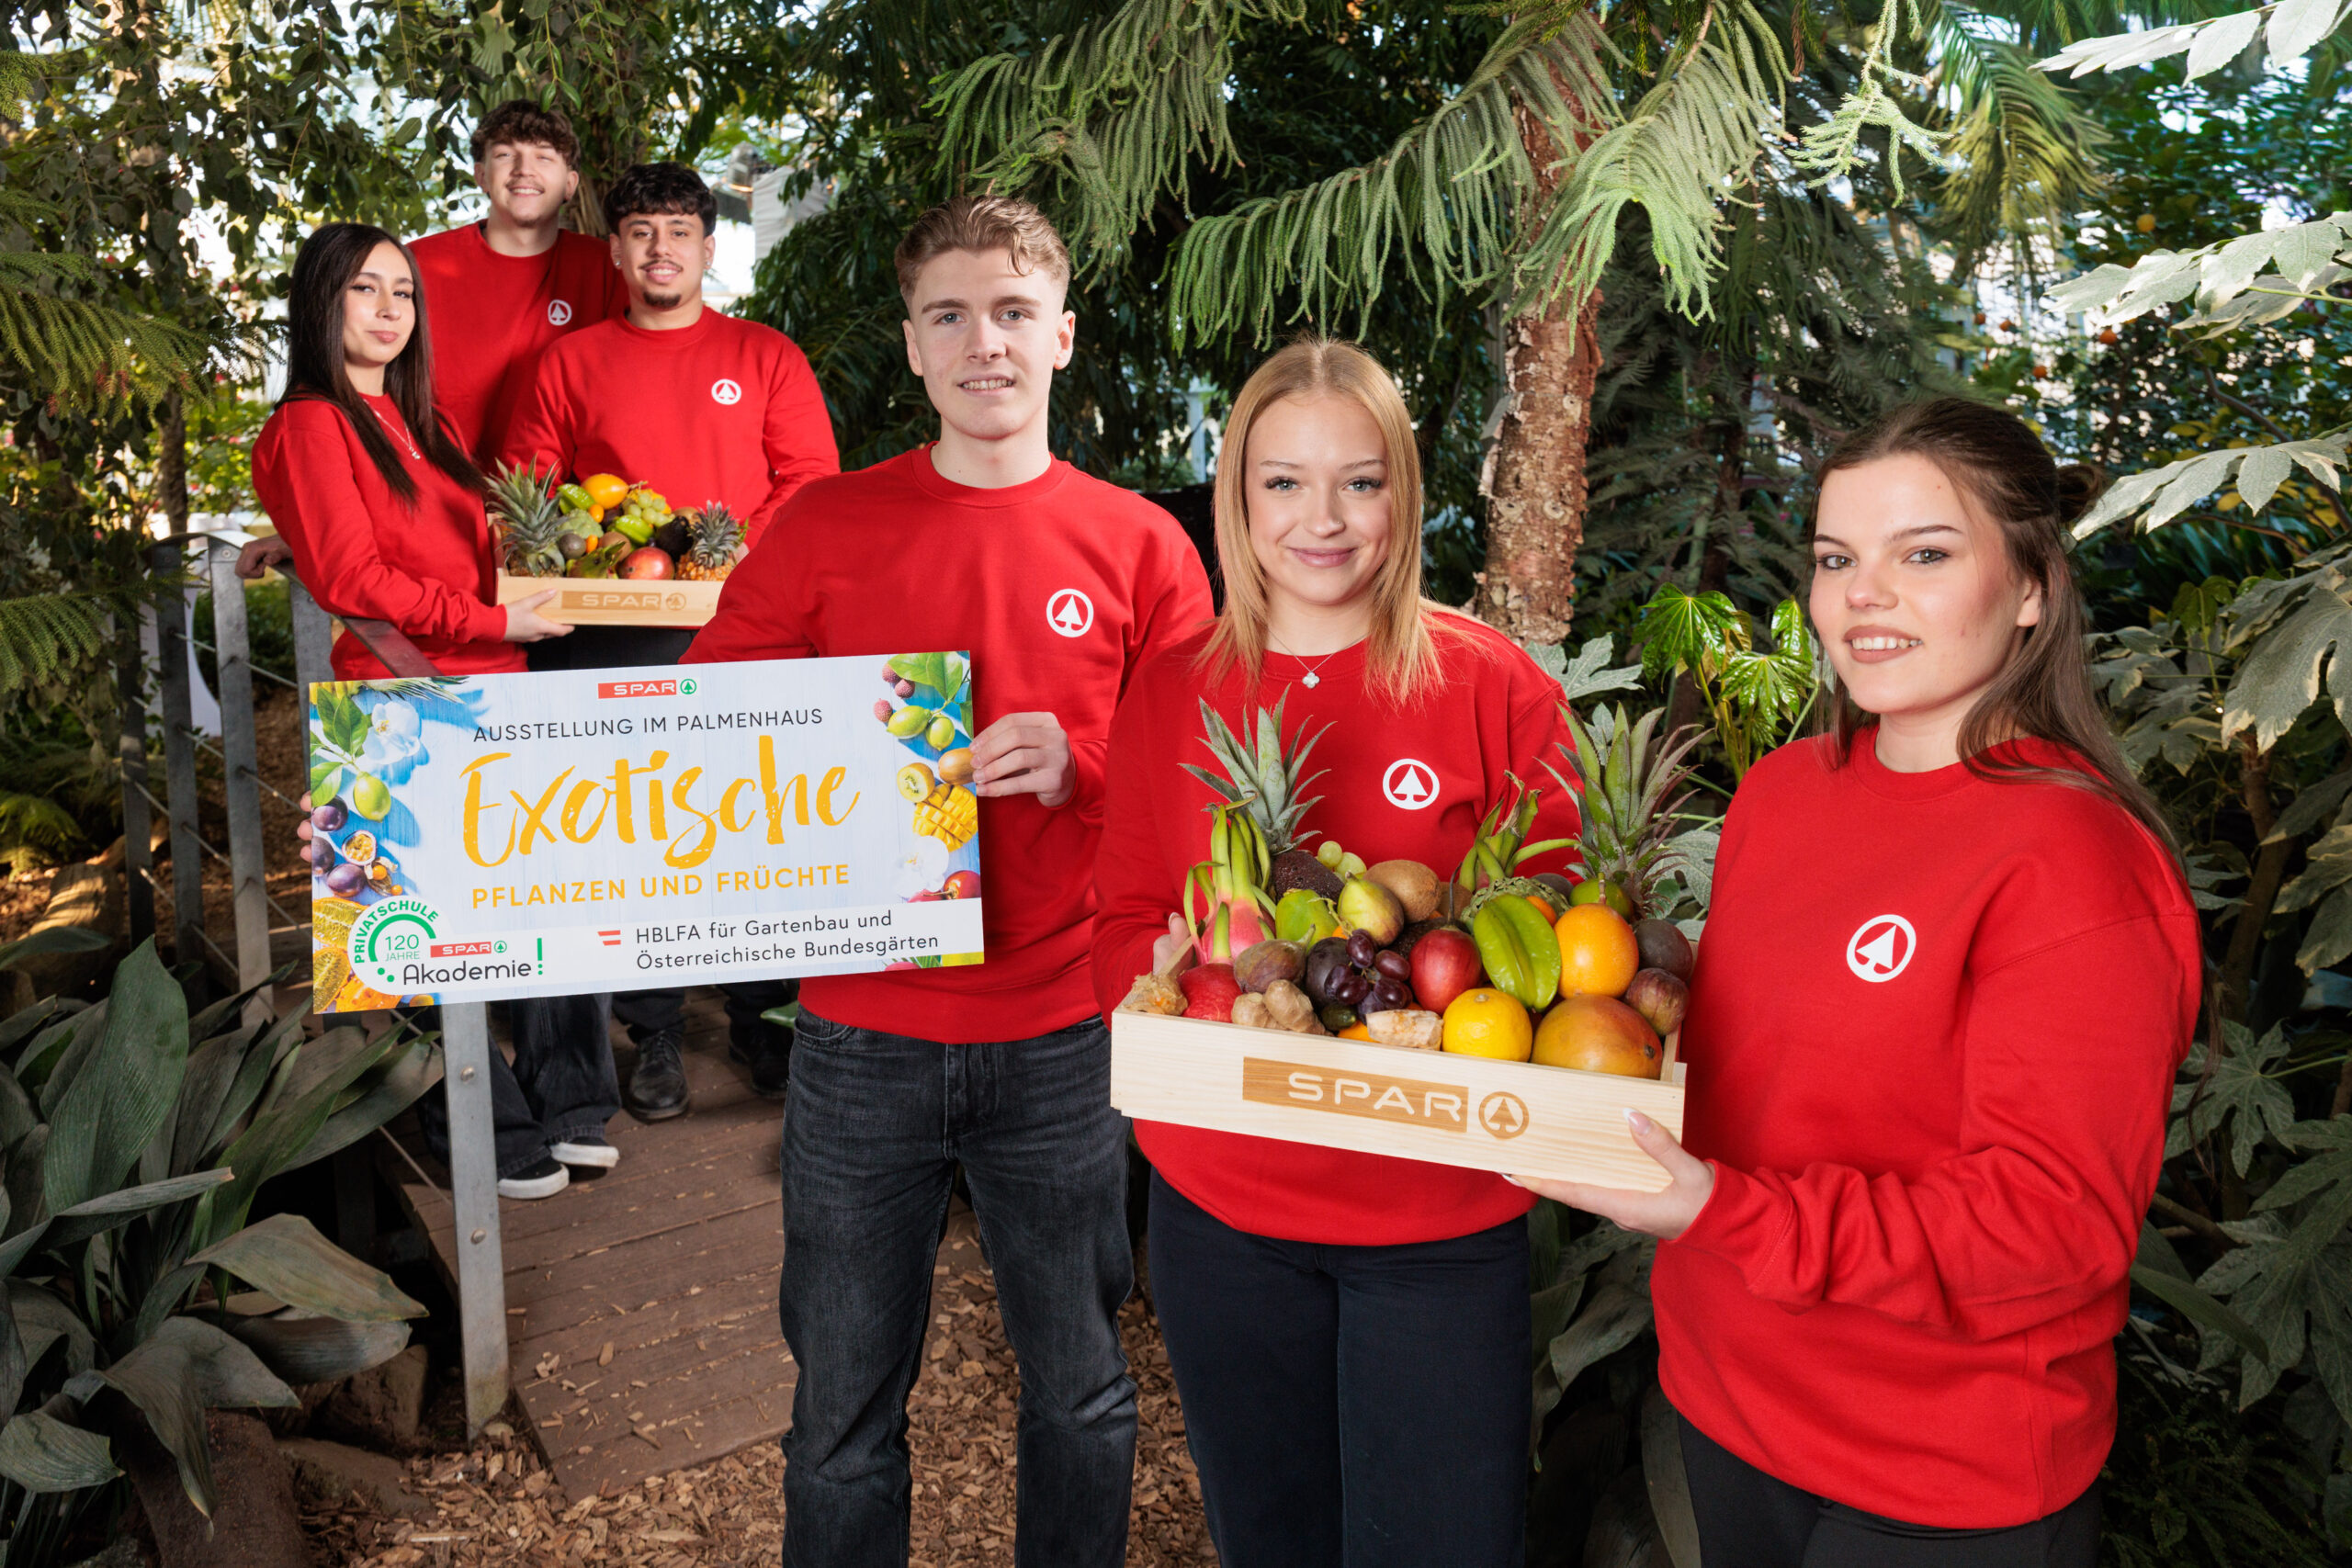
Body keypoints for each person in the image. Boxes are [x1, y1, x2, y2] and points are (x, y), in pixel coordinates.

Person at [1516, 397, 2202, 1568]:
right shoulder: (1785, 793)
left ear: (2031, 586)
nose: (1861, 596)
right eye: (1837, 559)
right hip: (1728, 1407)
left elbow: (2052, 1227)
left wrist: (1717, 1214)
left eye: (1922, 555)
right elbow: (1758, 1077)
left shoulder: (2073, 864)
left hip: (1935, 1473)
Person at [680, 193, 1214, 1567]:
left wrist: (1085, 760)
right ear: (913, 347)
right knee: (840, 1418)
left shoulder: (1145, 545)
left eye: (1015, 313)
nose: (986, 343)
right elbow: (703, 724)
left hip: (1062, 1032)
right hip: (860, 1035)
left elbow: (1206, 773)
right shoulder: (820, 529)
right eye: (951, 316)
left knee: (1086, 1392)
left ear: (1065, 337)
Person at [1089, 339, 1578, 1568]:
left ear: (1404, 495)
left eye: (1360, 482)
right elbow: (1116, 920)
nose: (1324, 519)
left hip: (1438, 1220)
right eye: (1285, 483)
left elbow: (1564, 937)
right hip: (1226, 1208)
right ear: (1237, 498)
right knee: (1272, 1540)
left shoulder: (1492, 684)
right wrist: (1155, 984)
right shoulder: (1173, 690)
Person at [253, 223, 618, 1202]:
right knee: (414, 927)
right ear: (318, 303)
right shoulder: (309, 424)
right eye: (363, 290)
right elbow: (356, 579)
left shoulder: (431, 426)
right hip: (400, 697)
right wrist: (491, 616)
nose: (387, 310)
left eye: (403, 293)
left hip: (498, 680)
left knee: (541, 895)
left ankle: (568, 1097)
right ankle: (476, 1124)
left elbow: (415, 536)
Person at [501, 159, 841, 1118]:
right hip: (612, 637)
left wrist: (722, 562)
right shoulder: (567, 364)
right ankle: (652, 1031)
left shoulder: (764, 356)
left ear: (707, 246)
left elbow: (809, 478)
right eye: (641, 231)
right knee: (641, 835)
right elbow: (530, 488)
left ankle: (760, 1011)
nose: (661, 249)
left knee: (752, 827)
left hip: (748, 629)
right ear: (615, 249)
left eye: (679, 232)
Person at [408, 99, 628, 464]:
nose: (524, 170)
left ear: (570, 184)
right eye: (506, 155)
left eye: (544, 157)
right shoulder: (418, 264)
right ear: (481, 176)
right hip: (437, 487)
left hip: (562, 499)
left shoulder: (608, 269)